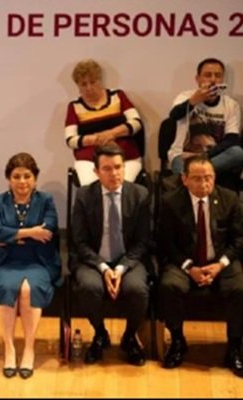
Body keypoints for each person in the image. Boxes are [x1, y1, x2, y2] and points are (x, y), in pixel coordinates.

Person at [0, 152, 62, 379]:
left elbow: (48, 230)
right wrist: (31, 233)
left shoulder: (46, 201)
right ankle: (9, 348)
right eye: (16, 176)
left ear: (35, 178)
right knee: (7, 287)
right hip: (4, 261)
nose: (22, 181)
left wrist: (10, 237)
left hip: (37, 261)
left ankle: (29, 348)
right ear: (8, 178)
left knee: (27, 290)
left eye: (27, 176)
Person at [158, 154, 243, 377]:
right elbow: (166, 242)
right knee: (169, 285)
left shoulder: (230, 199)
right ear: (184, 179)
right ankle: (177, 341)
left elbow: (239, 239)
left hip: (222, 261)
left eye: (208, 177)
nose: (204, 183)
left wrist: (220, 265)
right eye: (197, 178)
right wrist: (189, 267)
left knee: (239, 288)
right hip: (185, 261)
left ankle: (234, 347)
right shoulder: (170, 202)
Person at [70, 143, 150, 366]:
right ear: (96, 171)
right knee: (89, 287)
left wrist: (121, 268)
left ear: (124, 167)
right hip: (93, 260)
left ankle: (129, 337)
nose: (114, 173)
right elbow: (79, 241)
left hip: (129, 259)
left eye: (118, 167)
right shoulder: (84, 195)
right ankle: (100, 334)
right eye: (107, 168)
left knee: (137, 289)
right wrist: (104, 268)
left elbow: (143, 241)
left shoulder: (140, 194)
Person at [166, 58, 243, 190]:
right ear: (198, 79)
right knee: (183, 187)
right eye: (208, 75)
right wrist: (194, 101)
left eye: (218, 75)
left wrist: (205, 156)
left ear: (222, 79)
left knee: (237, 153)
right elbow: (174, 116)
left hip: (214, 157)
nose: (213, 80)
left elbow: (232, 139)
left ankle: (193, 174)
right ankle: (191, 177)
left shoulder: (231, 105)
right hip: (183, 156)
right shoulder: (185, 97)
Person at [64, 59, 143, 186]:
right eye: (83, 84)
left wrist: (111, 134)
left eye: (93, 82)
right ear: (78, 86)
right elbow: (70, 140)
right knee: (91, 189)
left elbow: (136, 123)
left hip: (125, 155)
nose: (89, 88)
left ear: (100, 80)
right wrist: (97, 139)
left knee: (121, 188)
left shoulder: (118, 96)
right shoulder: (74, 106)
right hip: (90, 158)